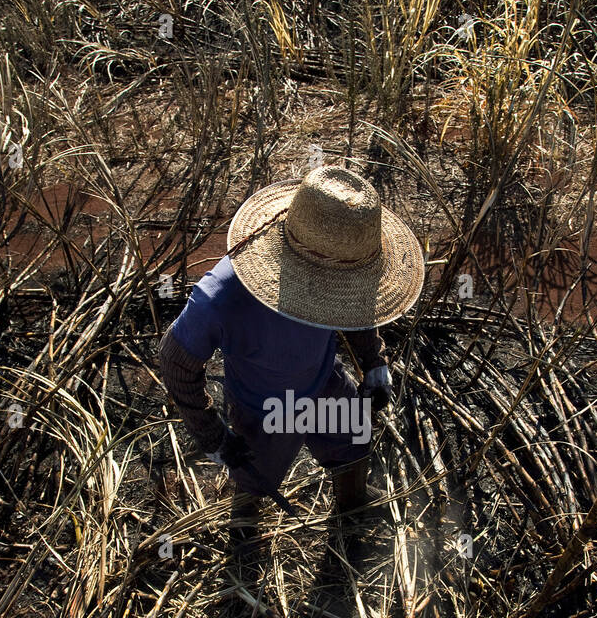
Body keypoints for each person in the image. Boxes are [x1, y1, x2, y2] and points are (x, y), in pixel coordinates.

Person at [158, 165, 424, 531]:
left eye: (346, 281)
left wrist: (373, 362)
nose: (337, 291)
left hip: (322, 379)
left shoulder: (345, 265)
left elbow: (357, 308)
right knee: (255, 478)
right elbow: (175, 361)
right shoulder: (223, 297)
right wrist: (212, 435)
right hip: (264, 408)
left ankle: (353, 505)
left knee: (352, 440)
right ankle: (245, 529)